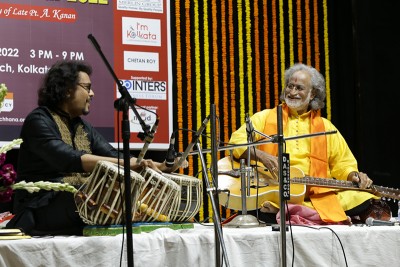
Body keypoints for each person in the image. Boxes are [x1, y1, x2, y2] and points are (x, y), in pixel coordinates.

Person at [6, 60, 185, 235]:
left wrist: (158, 166)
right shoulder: (38, 120)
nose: (92, 94)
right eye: (87, 87)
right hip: (41, 206)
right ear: (67, 89)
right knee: (96, 193)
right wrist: (125, 165)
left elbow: (112, 153)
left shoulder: (82, 126)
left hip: (77, 202)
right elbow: (68, 159)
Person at [228, 63, 380, 225]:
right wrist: (263, 156)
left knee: (363, 198)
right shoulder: (264, 117)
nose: (292, 92)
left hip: (315, 196)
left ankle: (297, 213)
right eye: (290, 86)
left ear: (313, 93)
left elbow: (342, 163)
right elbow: (235, 143)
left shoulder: (325, 127)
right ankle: (296, 213)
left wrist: (353, 175)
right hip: (274, 193)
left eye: (299, 88)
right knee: (255, 205)